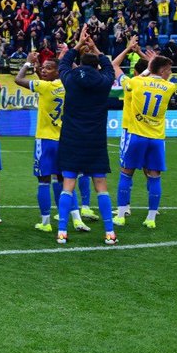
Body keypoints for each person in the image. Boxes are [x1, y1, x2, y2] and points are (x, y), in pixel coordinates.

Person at [56, 21, 119, 245]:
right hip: (95, 141)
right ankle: (109, 232)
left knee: (68, 184)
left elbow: (63, 63)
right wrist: (96, 49)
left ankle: (62, 231)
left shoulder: (70, 79)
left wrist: (78, 44)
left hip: (72, 139)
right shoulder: (104, 81)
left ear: (79, 64)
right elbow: (110, 68)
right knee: (100, 185)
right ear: (97, 66)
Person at [15, 56, 90, 233]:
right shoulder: (68, 86)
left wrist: (27, 63)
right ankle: (76, 219)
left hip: (45, 140)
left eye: (48, 68)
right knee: (64, 181)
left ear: (57, 71)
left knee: (43, 181)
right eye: (43, 68)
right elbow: (77, 74)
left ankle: (45, 221)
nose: (43, 70)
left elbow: (18, 80)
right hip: (64, 140)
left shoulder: (45, 87)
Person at [115, 46, 177, 228]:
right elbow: (157, 75)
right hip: (156, 139)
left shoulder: (136, 82)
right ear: (162, 70)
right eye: (169, 69)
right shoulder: (169, 87)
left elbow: (116, 68)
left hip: (136, 135)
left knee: (126, 173)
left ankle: (120, 215)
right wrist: (152, 61)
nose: (170, 73)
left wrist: (148, 64)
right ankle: (151, 218)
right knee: (154, 176)